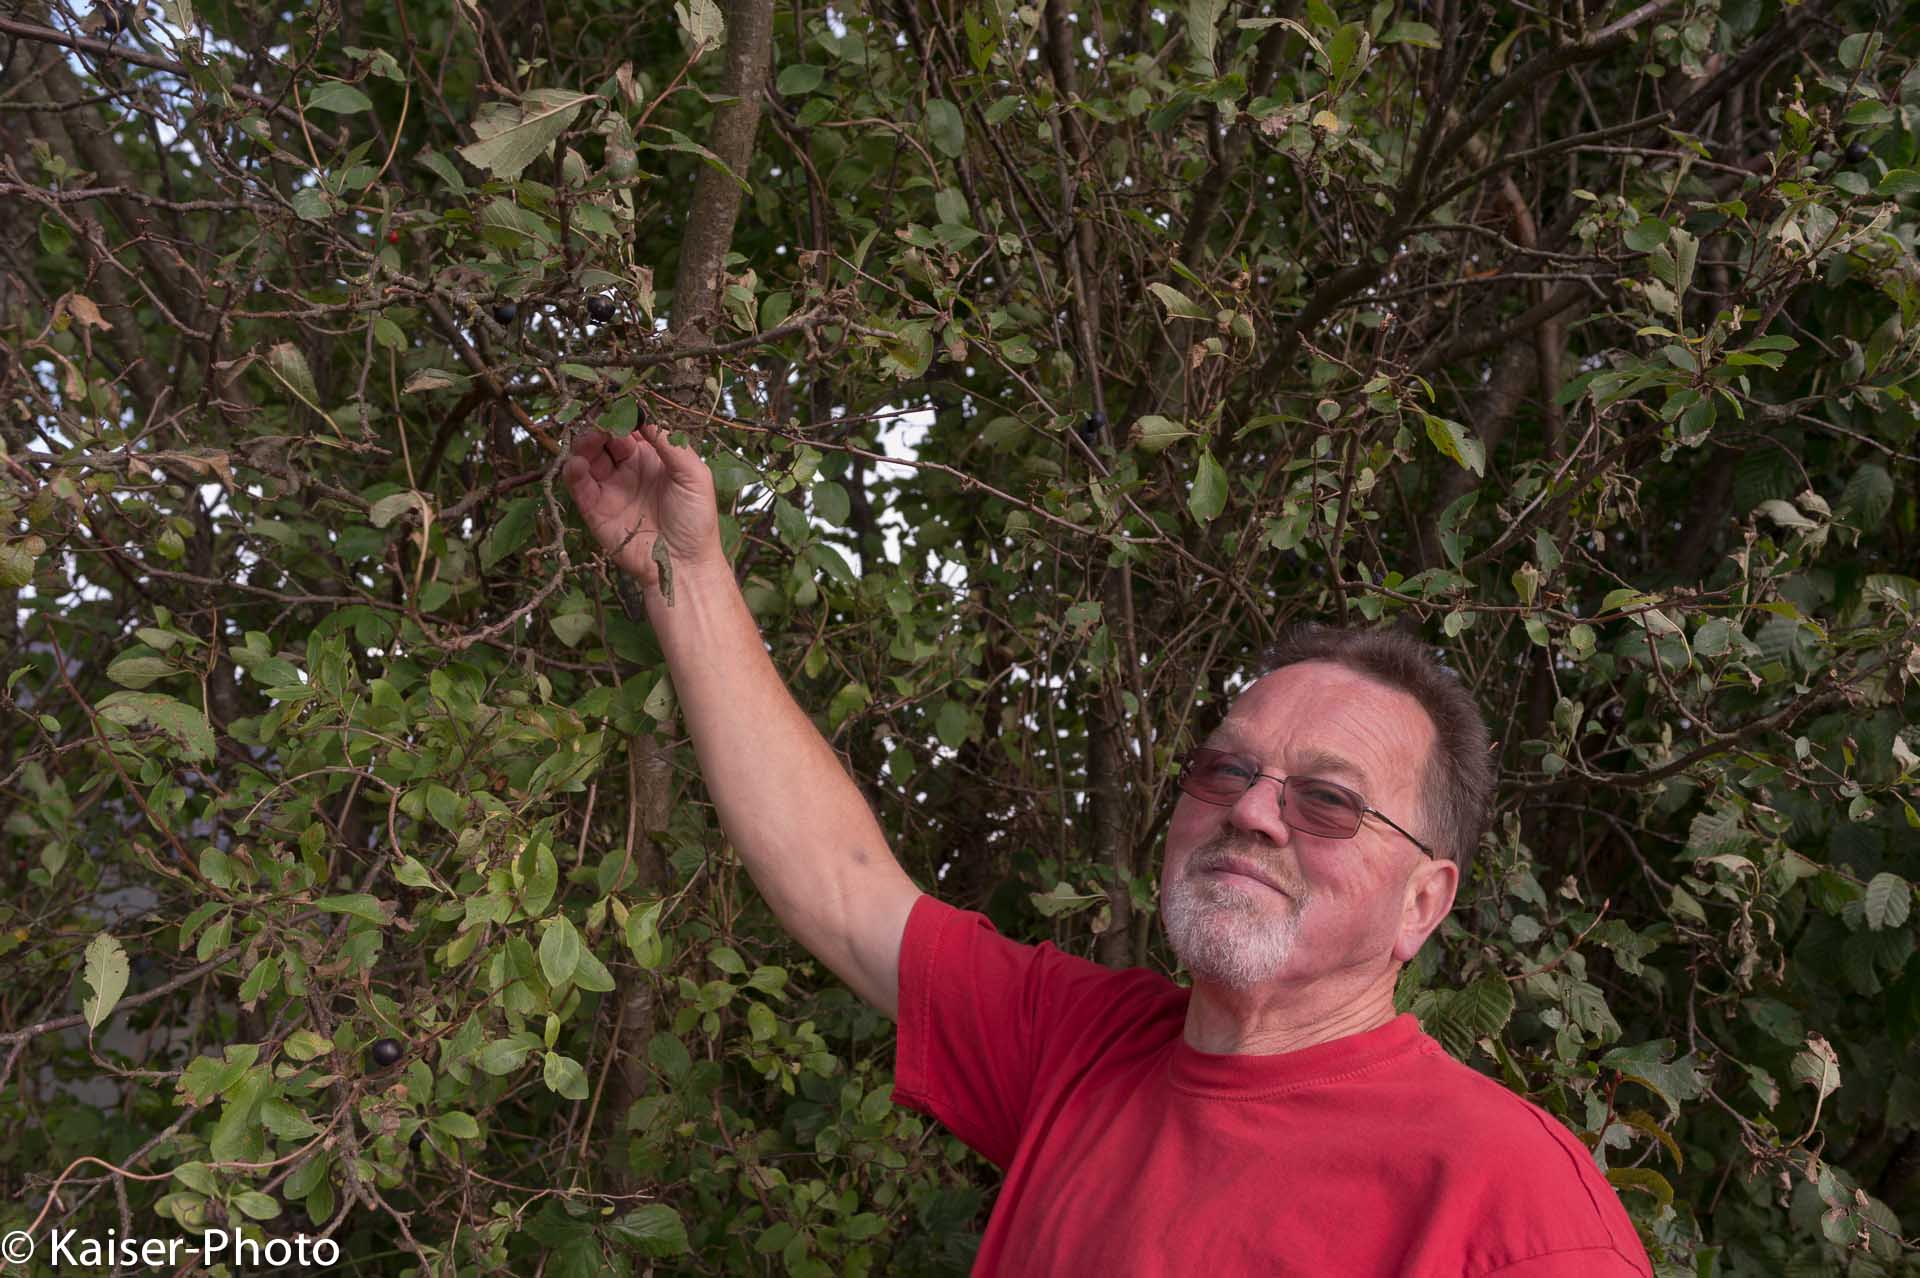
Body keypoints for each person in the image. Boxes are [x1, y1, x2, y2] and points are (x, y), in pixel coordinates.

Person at [563, 422, 1655, 1277]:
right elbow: (839, 884)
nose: (1255, 812)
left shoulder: (1511, 1205)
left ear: (1424, 901)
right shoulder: (1079, 1049)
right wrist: (687, 574)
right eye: (1227, 771)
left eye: (1327, 801)